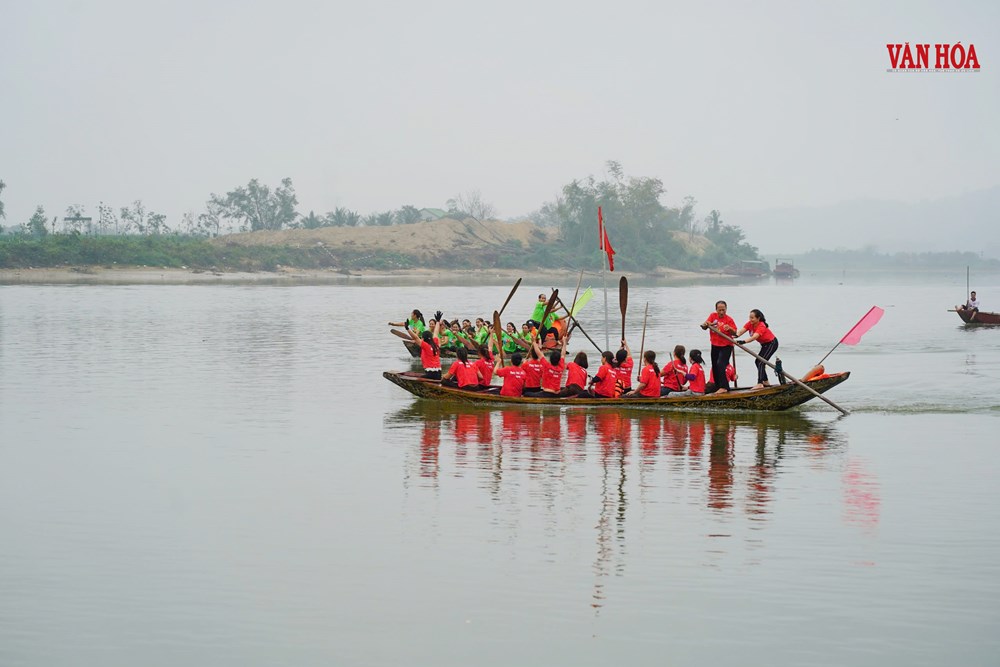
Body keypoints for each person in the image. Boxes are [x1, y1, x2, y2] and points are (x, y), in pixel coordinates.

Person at [736, 308, 779, 390]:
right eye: (750, 317)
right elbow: (740, 332)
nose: (750, 319)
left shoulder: (761, 325)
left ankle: (760, 383)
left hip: (772, 344)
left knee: (760, 362)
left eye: (752, 318)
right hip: (764, 345)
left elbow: (754, 337)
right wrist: (732, 336)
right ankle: (765, 381)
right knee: (758, 362)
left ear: (758, 318)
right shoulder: (749, 324)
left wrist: (743, 341)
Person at [700, 300, 737, 394]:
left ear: (726, 309)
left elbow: (735, 333)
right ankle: (718, 386)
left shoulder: (729, 319)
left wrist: (730, 329)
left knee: (721, 364)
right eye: (719, 310)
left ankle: (724, 387)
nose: (721, 312)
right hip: (715, 345)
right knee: (715, 366)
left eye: (723, 310)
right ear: (716, 310)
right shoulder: (713, 316)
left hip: (726, 346)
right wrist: (705, 325)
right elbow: (705, 326)